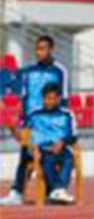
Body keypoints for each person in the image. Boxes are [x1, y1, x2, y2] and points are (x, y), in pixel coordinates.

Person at [1, 34, 68, 206]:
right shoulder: (27, 72)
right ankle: (18, 192)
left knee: (48, 157)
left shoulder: (60, 72)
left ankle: (52, 190)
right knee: (26, 156)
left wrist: (61, 129)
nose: (38, 52)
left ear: (51, 49)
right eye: (37, 49)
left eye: (42, 49)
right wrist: (14, 124)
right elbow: (14, 95)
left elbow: (65, 100)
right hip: (29, 122)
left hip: (51, 123)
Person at [24, 83, 78, 204]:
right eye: (47, 98)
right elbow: (25, 135)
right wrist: (32, 148)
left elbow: (74, 136)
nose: (49, 102)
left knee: (69, 158)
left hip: (61, 148)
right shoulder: (34, 115)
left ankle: (56, 191)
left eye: (53, 99)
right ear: (43, 98)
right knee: (47, 160)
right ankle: (57, 190)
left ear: (58, 99)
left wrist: (62, 142)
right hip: (41, 149)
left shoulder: (67, 114)